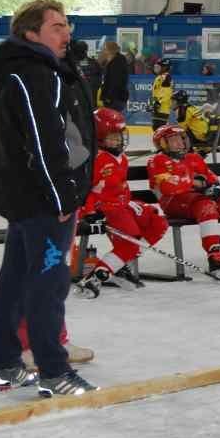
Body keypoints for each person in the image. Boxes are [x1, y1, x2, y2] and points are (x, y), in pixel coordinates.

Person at [0, 0, 98, 397]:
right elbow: (44, 141)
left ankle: (6, 364)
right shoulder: (34, 74)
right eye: (56, 27)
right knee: (48, 285)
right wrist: (62, 196)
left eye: (67, 25)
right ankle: (53, 371)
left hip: (27, 196)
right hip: (43, 199)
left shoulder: (32, 70)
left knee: (15, 279)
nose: (66, 33)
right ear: (31, 34)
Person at [75, 108, 169, 297]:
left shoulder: (122, 158)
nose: (118, 140)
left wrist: (130, 203)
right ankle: (92, 280)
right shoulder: (95, 160)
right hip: (105, 208)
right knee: (130, 243)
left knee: (158, 223)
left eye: (119, 135)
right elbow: (86, 191)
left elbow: (121, 187)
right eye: (112, 137)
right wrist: (89, 212)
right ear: (99, 137)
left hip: (123, 205)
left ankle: (119, 262)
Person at [148, 124, 220, 272]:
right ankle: (214, 255)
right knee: (206, 206)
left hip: (197, 200)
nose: (180, 143)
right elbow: (168, 187)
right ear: (163, 144)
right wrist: (194, 183)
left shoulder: (194, 158)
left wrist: (216, 188)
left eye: (181, 139)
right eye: (174, 140)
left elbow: (211, 178)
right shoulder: (158, 160)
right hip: (173, 202)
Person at [172, 90, 213, 155]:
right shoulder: (191, 107)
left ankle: (188, 153)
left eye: (173, 101)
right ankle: (199, 152)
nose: (171, 103)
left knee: (175, 134)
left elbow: (181, 129)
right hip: (206, 134)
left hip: (200, 137)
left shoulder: (182, 110)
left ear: (179, 101)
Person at [98, 40, 130, 112]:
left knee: (112, 116)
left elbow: (115, 81)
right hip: (114, 97)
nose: (103, 51)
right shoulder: (112, 61)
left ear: (110, 50)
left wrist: (109, 97)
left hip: (115, 98)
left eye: (105, 49)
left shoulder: (117, 62)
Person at [149, 57, 173, 132]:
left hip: (162, 108)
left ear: (165, 68)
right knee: (156, 128)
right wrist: (151, 103)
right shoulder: (160, 77)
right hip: (158, 108)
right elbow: (155, 93)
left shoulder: (166, 77)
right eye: (156, 67)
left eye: (158, 67)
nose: (156, 69)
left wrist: (158, 103)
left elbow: (166, 93)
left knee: (159, 128)